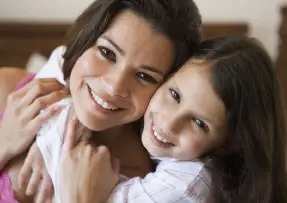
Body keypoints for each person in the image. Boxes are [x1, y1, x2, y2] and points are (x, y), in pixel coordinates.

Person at [0, 0, 202, 202]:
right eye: (107, 53)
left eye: (144, 76)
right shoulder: (8, 90)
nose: (114, 87)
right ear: (83, 40)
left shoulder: (141, 186)